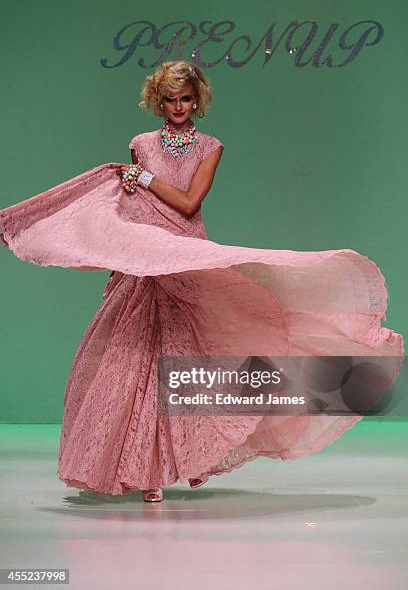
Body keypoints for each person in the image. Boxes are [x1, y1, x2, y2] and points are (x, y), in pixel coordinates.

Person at [0, 61, 404, 504]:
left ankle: (189, 457)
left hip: (185, 255)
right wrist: (119, 246)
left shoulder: (210, 146)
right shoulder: (140, 144)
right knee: (132, 362)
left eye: (186, 98)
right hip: (142, 261)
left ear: (198, 99)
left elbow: (190, 204)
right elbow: (135, 208)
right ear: (158, 100)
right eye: (170, 99)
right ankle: (146, 469)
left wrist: (146, 179)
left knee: (196, 356)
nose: (178, 107)